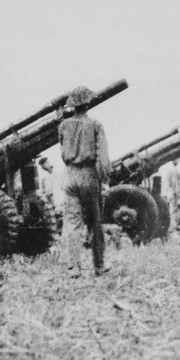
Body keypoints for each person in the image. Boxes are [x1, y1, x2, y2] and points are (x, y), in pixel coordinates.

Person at [58, 86, 110, 277]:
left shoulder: (63, 126)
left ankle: (74, 267)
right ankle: (98, 266)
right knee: (95, 222)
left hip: (70, 175)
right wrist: (104, 179)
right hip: (89, 176)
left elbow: (63, 153)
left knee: (72, 223)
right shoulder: (96, 125)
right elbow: (103, 157)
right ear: (88, 103)